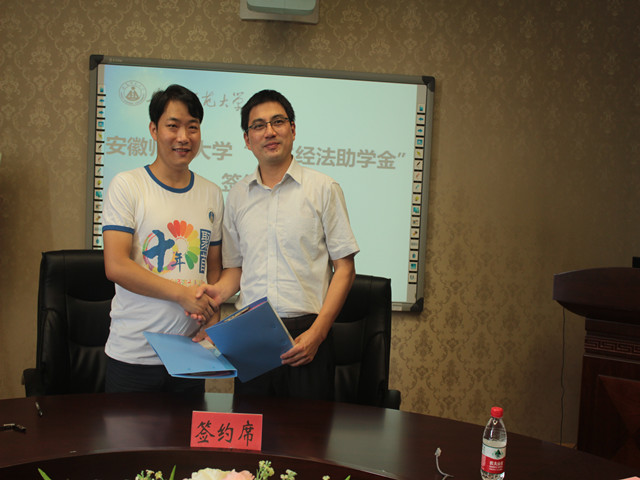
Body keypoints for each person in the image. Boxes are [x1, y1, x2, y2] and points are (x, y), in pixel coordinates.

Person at [194, 89, 359, 400]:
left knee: (307, 431)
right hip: (251, 335)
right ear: (247, 140)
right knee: (251, 426)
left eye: (278, 122)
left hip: (308, 334)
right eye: (258, 126)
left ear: (292, 129)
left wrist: (318, 333)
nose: (269, 132)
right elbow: (235, 269)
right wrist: (215, 296)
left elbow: (345, 269)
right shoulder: (238, 195)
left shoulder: (324, 188)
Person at [102, 84, 223, 393]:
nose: (184, 137)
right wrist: (180, 294)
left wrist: (214, 316)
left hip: (190, 353)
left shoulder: (212, 193)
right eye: (173, 126)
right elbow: (116, 265)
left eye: (192, 127)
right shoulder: (128, 185)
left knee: (187, 428)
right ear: (154, 130)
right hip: (134, 355)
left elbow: (213, 268)